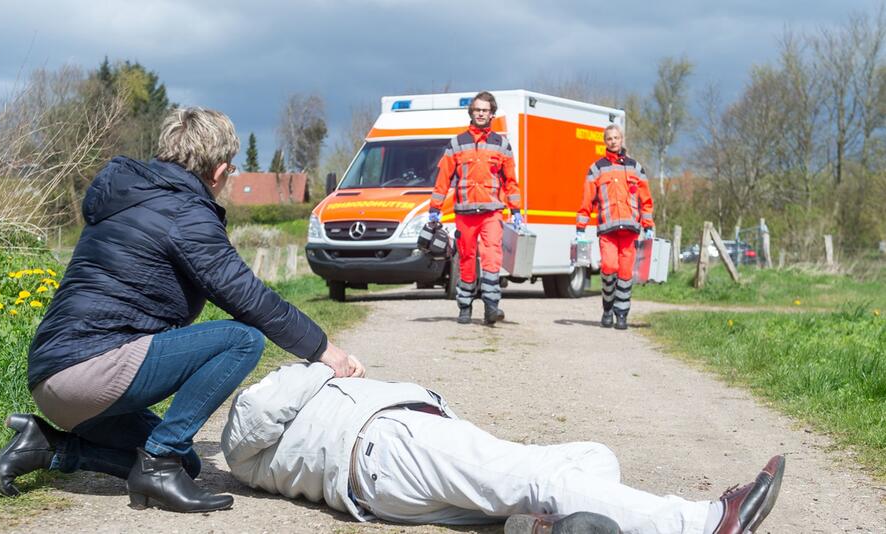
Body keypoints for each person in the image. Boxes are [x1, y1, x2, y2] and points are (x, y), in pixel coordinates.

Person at [0, 107, 363, 513]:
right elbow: (248, 297)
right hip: (91, 372)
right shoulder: (185, 212)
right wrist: (325, 350)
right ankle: (159, 462)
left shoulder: (128, 195)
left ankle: (49, 447)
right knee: (242, 340)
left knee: (189, 463)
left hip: (51, 380)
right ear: (219, 171)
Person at [222, 362, 785, 534]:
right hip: (385, 445)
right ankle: (705, 522)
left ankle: (540, 531)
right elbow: (258, 412)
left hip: (385, 483)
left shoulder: (267, 454)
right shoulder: (255, 407)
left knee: (591, 458)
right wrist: (322, 360)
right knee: (538, 476)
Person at [429, 91, 523, 325]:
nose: (481, 113)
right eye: (477, 110)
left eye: (485, 110)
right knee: (467, 259)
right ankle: (465, 307)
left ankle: (492, 306)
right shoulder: (457, 143)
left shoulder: (502, 144)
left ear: (492, 113)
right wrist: (435, 208)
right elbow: (443, 178)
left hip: (492, 212)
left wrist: (517, 209)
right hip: (465, 213)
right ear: (471, 112)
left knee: (492, 258)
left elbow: (511, 181)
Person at [576, 124, 654, 330]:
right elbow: (587, 200)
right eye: (609, 138)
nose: (613, 141)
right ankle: (608, 308)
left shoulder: (636, 168)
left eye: (616, 138)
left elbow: (645, 200)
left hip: (630, 230)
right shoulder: (596, 169)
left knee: (626, 272)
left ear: (622, 139)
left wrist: (648, 225)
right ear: (605, 141)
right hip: (607, 230)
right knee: (609, 268)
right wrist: (581, 225)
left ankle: (621, 315)